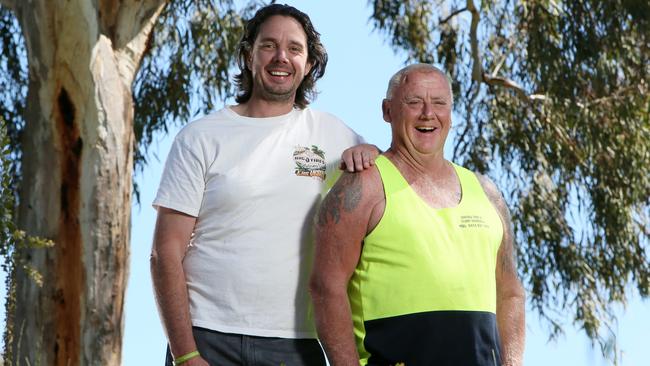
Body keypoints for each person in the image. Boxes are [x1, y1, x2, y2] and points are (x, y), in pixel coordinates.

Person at [150, 4, 378, 366]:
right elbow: (165, 252)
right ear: (248, 55)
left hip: (297, 343)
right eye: (269, 45)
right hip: (208, 338)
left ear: (309, 64)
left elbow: (382, 187)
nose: (281, 57)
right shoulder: (201, 137)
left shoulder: (335, 135)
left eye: (294, 49)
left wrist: (371, 153)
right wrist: (186, 353)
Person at [310, 63, 526, 366]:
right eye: (413, 102)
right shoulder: (363, 186)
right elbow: (325, 286)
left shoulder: (486, 193)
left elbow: (510, 294)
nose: (428, 113)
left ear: (451, 113)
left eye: (439, 103)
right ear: (388, 111)